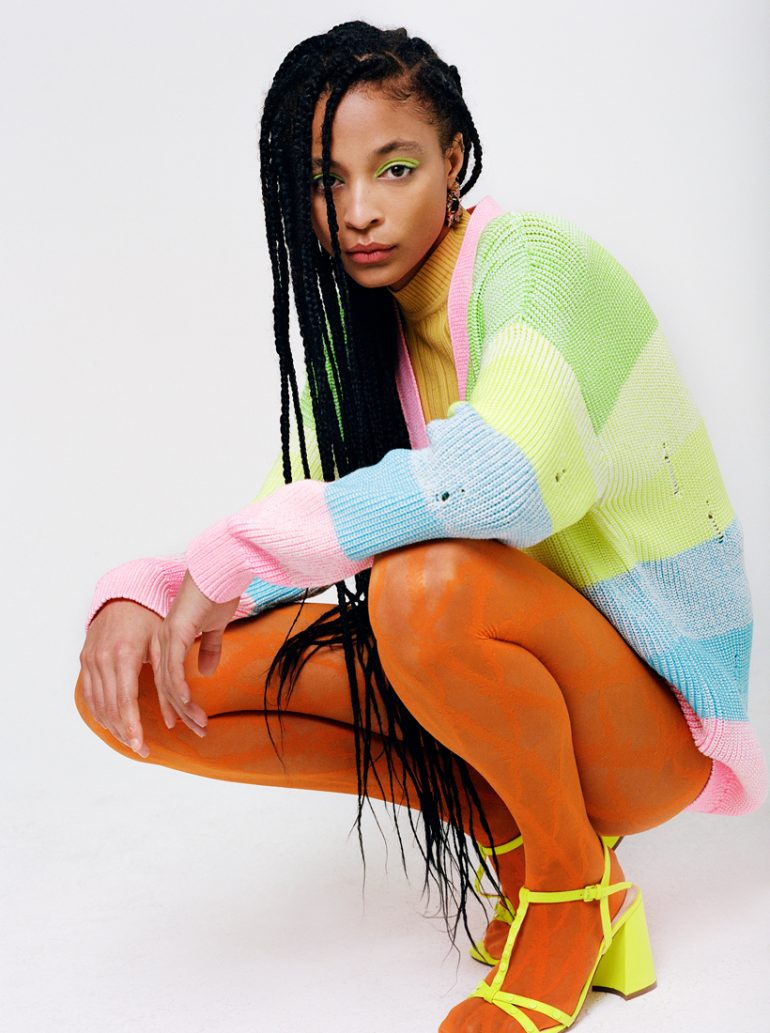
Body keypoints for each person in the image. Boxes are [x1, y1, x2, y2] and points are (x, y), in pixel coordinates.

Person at [74, 19, 767, 1033]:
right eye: (326, 181)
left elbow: (503, 479)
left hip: (654, 722)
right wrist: (141, 594)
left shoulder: (536, 265)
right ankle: (517, 834)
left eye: (393, 168)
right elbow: (278, 530)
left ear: (454, 158)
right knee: (150, 677)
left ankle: (570, 888)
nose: (358, 211)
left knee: (420, 583)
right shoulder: (365, 340)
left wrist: (243, 552)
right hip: (519, 692)